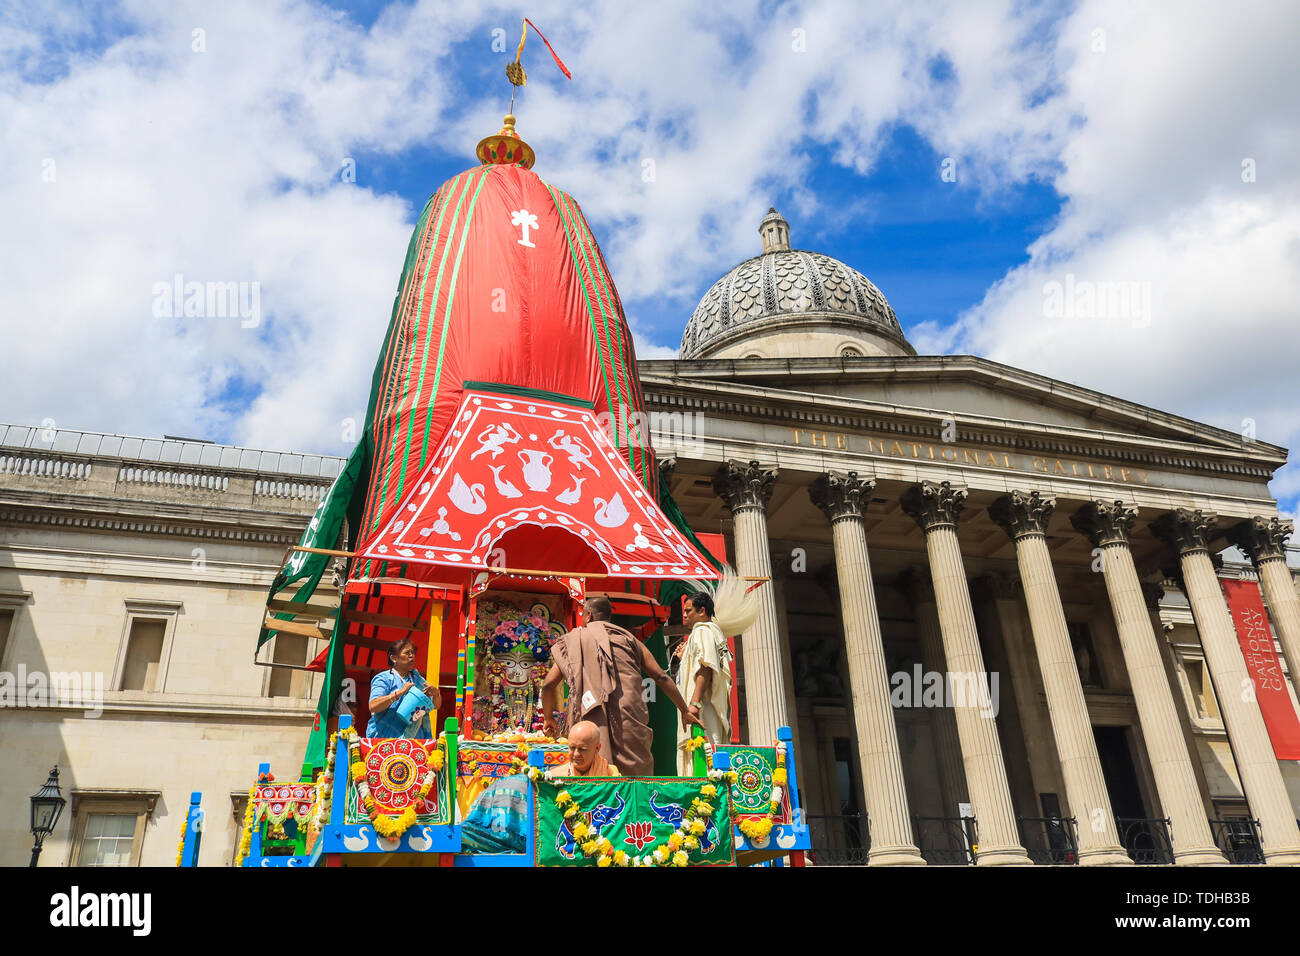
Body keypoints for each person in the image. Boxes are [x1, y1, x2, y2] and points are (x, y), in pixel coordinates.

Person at [542, 595, 701, 775]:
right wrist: (684, 709)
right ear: (609, 617)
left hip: (590, 714)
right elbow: (660, 676)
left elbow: (548, 684)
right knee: (635, 774)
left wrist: (549, 718)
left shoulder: (576, 641)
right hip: (627, 715)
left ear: (588, 616)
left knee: (589, 762)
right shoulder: (630, 640)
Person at [676, 591, 732, 775]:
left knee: (703, 762)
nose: (684, 615)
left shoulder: (701, 630)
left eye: (688, 610)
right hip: (711, 708)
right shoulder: (714, 632)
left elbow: (706, 667)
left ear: (702, 611)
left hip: (703, 710)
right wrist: (685, 658)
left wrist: (694, 703)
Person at [367, 637, 433, 738]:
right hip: (384, 738)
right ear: (394, 658)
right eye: (407, 653)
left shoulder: (418, 680)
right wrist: (400, 693)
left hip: (415, 740)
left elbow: (434, 705)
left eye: (413, 652)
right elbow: (373, 706)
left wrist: (436, 695)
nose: (412, 656)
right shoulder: (384, 678)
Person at [552, 720, 620, 777]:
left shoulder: (611, 775)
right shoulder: (556, 776)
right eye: (572, 748)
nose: (576, 754)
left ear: (597, 748)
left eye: (582, 749)